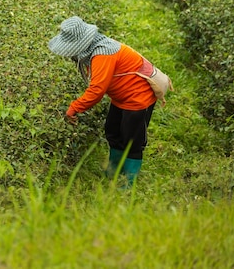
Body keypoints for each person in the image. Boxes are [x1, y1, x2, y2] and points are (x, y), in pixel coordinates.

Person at [48, 16, 157, 186]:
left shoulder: (102, 54)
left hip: (138, 98)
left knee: (131, 139)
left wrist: (74, 107)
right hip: (122, 97)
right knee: (113, 131)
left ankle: (129, 182)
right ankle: (114, 171)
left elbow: (97, 90)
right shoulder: (98, 47)